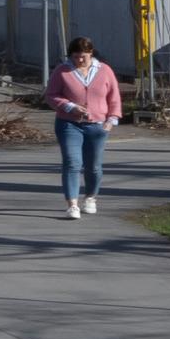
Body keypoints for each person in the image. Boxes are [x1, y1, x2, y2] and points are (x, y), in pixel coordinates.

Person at [54, 33, 125, 220]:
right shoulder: (62, 71)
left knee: (93, 166)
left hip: (98, 125)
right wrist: (69, 106)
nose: (79, 60)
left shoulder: (105, 70)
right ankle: (72, 205)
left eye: (83, 56)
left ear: (91, 53)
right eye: (75, 56)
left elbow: (114, 97)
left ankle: (91, 197)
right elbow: (51, 95)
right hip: (69, 124)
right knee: (72, 163)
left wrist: (112, 119)